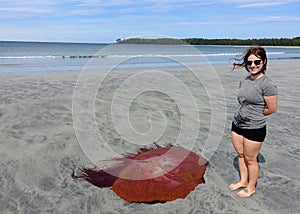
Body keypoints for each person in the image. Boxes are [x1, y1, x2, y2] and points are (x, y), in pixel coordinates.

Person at [229, 46, 278, 198]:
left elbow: (272, 109)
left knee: (251, 159)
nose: (253, 65)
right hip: (237, 125)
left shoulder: (267, 84)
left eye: (257, 62)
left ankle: (251, 187)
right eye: (249, 63)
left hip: (254, 128)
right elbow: (243, 102)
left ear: (264, 62)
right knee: (241, 155)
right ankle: (243, 181)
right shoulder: (244, 80)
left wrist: (254, 114)